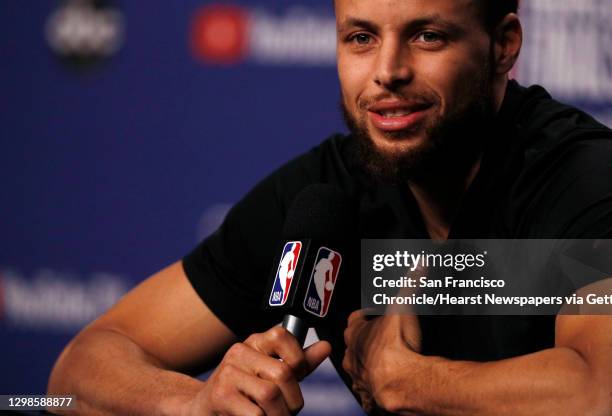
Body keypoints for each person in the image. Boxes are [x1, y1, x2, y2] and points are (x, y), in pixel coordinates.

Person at [48, 0, 612, 414]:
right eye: (361, 38)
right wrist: (197, 403)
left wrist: (410, 382)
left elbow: (600, 390)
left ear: (504, 45)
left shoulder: (581, 176)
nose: (387, 71)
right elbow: (74, 377)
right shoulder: (326, 197)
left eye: (428, 36)